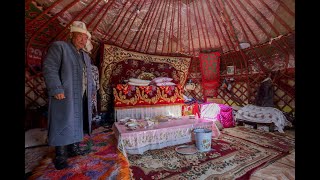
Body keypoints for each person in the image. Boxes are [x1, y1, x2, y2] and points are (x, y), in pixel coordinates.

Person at [42, 21, 95, 170]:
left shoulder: (84, 55)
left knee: (77, 121)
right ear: (71, 35)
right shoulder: (60, 47)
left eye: (85, 38)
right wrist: (56, 88)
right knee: (62, 120)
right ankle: (60, 155)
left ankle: (74, 148)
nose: (83, 40)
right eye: (79, 36)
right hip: (65, 93)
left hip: (81, 93)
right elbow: (49, 67)